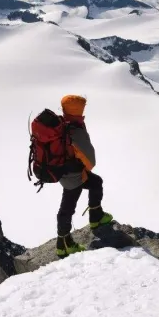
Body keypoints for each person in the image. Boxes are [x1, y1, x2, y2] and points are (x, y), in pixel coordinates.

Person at [55, 94, 113, 257]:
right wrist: (83, 170)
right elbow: (90, 160)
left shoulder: (61, 124)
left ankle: (96, 216)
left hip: (63, 171)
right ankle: (64, 243)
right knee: (67, 207)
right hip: (74, 175)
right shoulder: (75, 129)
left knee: (95, 183)